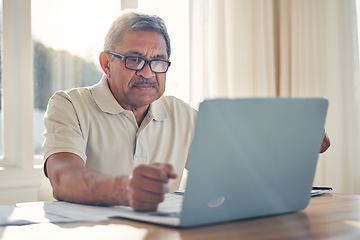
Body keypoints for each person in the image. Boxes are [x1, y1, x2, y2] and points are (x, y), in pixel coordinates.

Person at [43, 10, 331, 211]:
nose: (148, 72)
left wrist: (292, 147)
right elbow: (63, 178)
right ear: (106, 63)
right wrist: (124, 189)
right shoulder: (69, 105)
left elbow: (232, 177)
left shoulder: (182, 114)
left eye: (158, 61)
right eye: (134, 59)